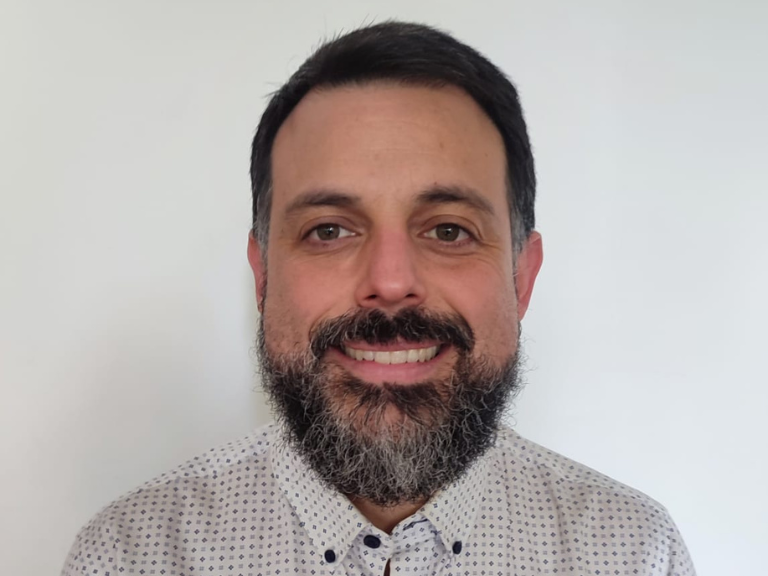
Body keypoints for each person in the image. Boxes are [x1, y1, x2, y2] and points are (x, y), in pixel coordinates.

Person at [62, 21, 696, 575]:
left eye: (449, 231)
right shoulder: (130, 556)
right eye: (328, 231)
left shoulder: (634, 554)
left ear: (521, 278)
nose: (391, 283)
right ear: (262, 277)